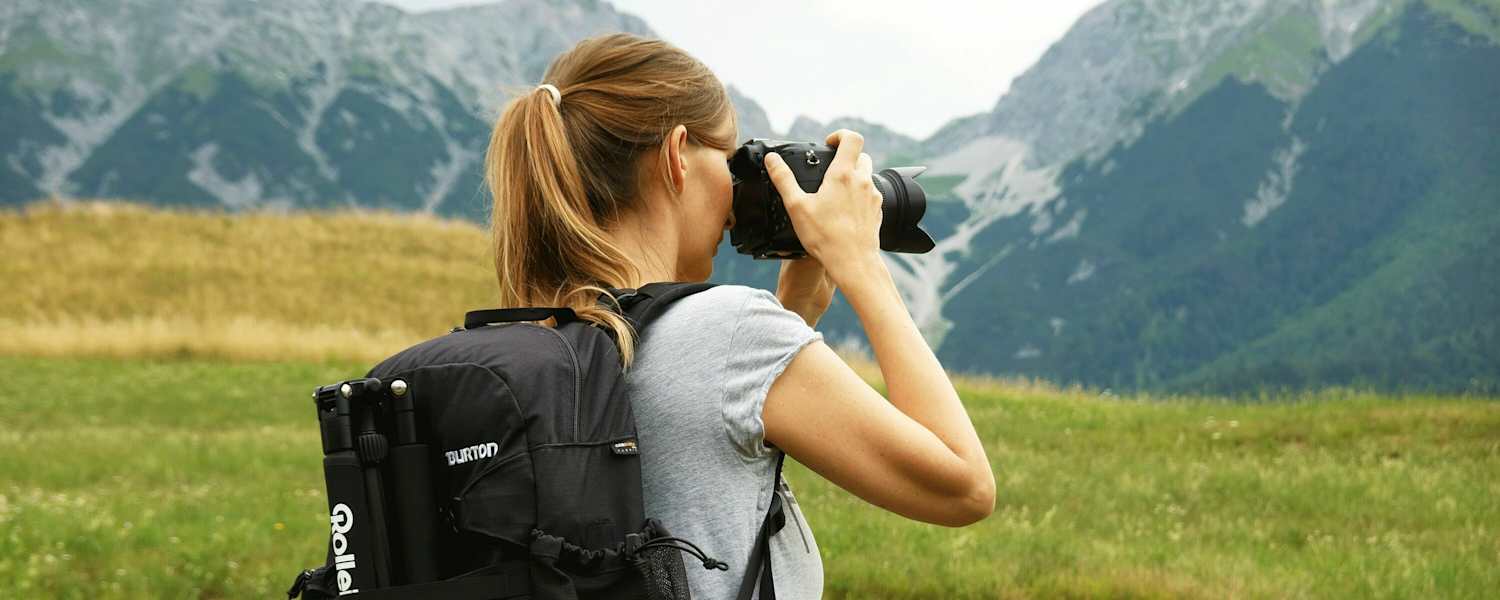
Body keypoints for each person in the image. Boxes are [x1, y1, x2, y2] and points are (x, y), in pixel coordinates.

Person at [485, 32, 995, 599]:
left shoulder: (537, 340)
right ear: (678, 154)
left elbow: (704, 449)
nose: (734, 193)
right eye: (728, 160)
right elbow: (964, 487)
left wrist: (793, 316)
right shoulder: (727, 335)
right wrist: (860, 265)